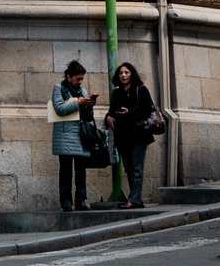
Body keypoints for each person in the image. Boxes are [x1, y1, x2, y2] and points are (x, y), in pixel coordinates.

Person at [104, 60, 156, 208]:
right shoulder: (117, 92)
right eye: (121, 73)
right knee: (128, 167)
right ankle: (137, 198)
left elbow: (147, 110)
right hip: (123, 136)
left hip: (139, 134)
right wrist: (108, 117)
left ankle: (133, 199)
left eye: (126, 72)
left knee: (137, 167)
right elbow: (112, 110)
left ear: (132, 74)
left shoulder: (141, 89)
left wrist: (130, 112)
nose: (123, 75)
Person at [51, 59, 97, 212]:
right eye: (77, 78)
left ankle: (81, 200)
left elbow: (88, 117)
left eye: (82, 79)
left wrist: (90, 105)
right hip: (64, 135)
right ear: (69, 76)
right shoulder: (59, 88)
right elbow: (59, 109)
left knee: (81, 170)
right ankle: (66, 202)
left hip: (80, 135)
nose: (80, 82)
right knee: (65, 170)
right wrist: (78, 103)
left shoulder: (82, 92)